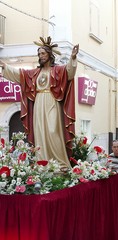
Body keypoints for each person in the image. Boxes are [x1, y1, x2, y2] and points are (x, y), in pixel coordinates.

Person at [0, 36, 79, 169]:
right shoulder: (35, 72)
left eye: (43, 53)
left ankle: (59, 163)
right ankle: (42, 164)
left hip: (52, 102)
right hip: (38, 104)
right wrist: (5, 66)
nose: (40, 56)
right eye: (39, 54)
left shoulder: (58, 70)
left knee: (53, 132)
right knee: (40, 133)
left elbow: (69, 73)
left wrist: (73, 58)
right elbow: (20, 75)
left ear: (49, 54)